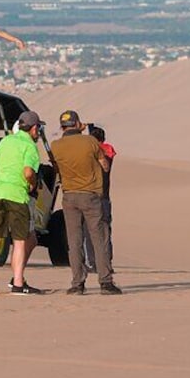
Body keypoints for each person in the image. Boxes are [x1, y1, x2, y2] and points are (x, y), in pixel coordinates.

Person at [50, 110, 122, 295]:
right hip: (91, 195)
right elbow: (104, 164)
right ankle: (105, 282)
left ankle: (77, 284)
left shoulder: (56, 145)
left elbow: (56, 168)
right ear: (77, 124)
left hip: (69, 196)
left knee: (74, 241)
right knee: (99, 239)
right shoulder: (90, 142)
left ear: (62, 127)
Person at [0, 110, 45, 295]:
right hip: (17, 194)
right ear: (34, 128)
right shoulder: (30, 147)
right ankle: (17, 283)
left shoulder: (6, 141)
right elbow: (28, 172)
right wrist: (32, 185)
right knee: (19, 241)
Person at [83, 124, 116, 271]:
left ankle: (93, 263)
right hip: (104, 197)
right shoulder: (107, 150)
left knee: (89, 230)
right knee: (105, 230)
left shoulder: (99, 150)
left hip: (93, 195)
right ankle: (106, 263)